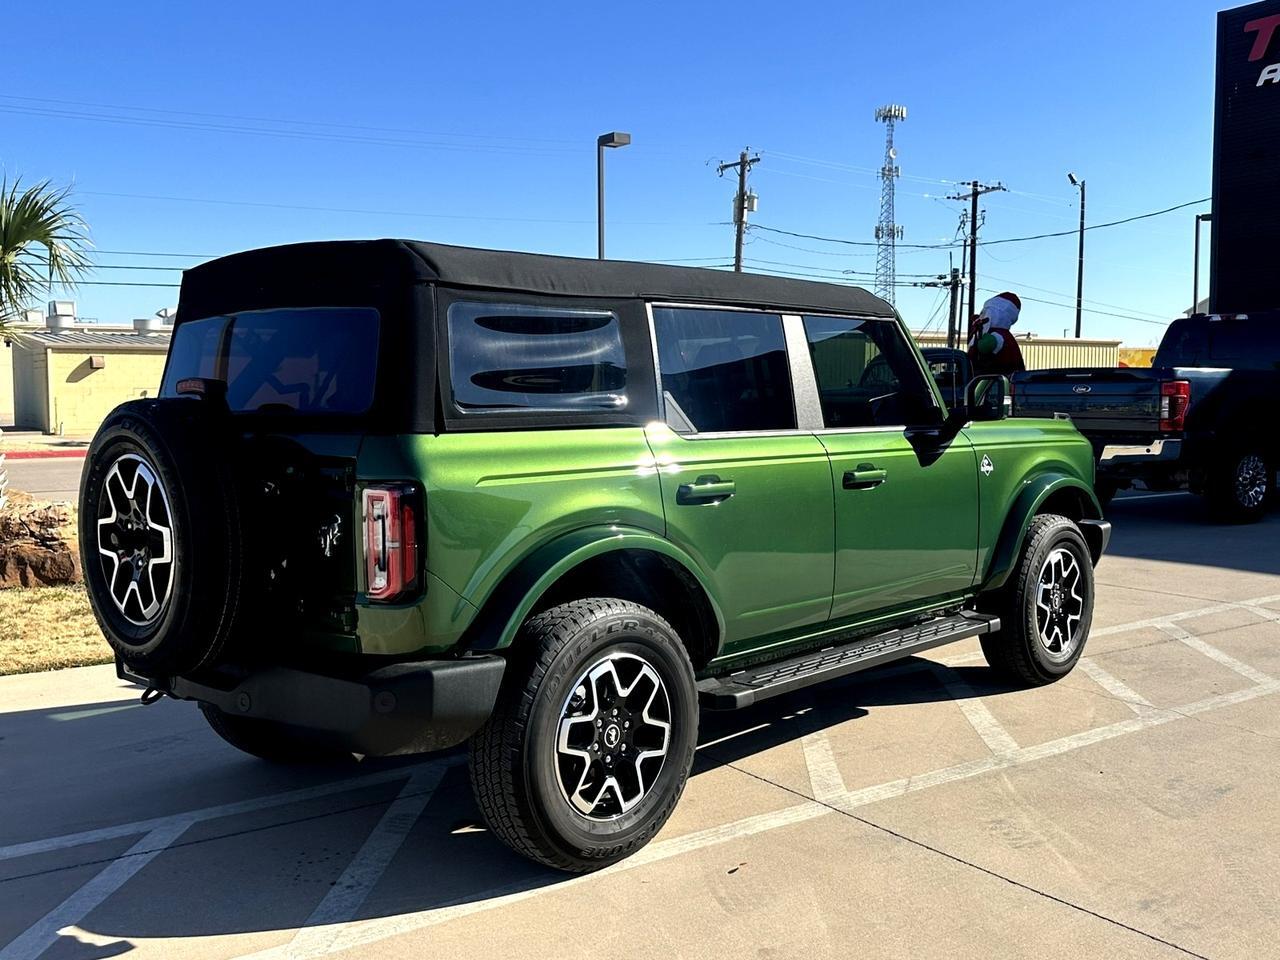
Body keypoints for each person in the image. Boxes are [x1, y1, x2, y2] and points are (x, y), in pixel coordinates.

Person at [967, 291, 1026, 377]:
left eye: (987, 311)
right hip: (987, 380)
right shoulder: (985, 333)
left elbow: (985, 347)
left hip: (994, 381)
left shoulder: (999, 336)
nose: (983, 314)